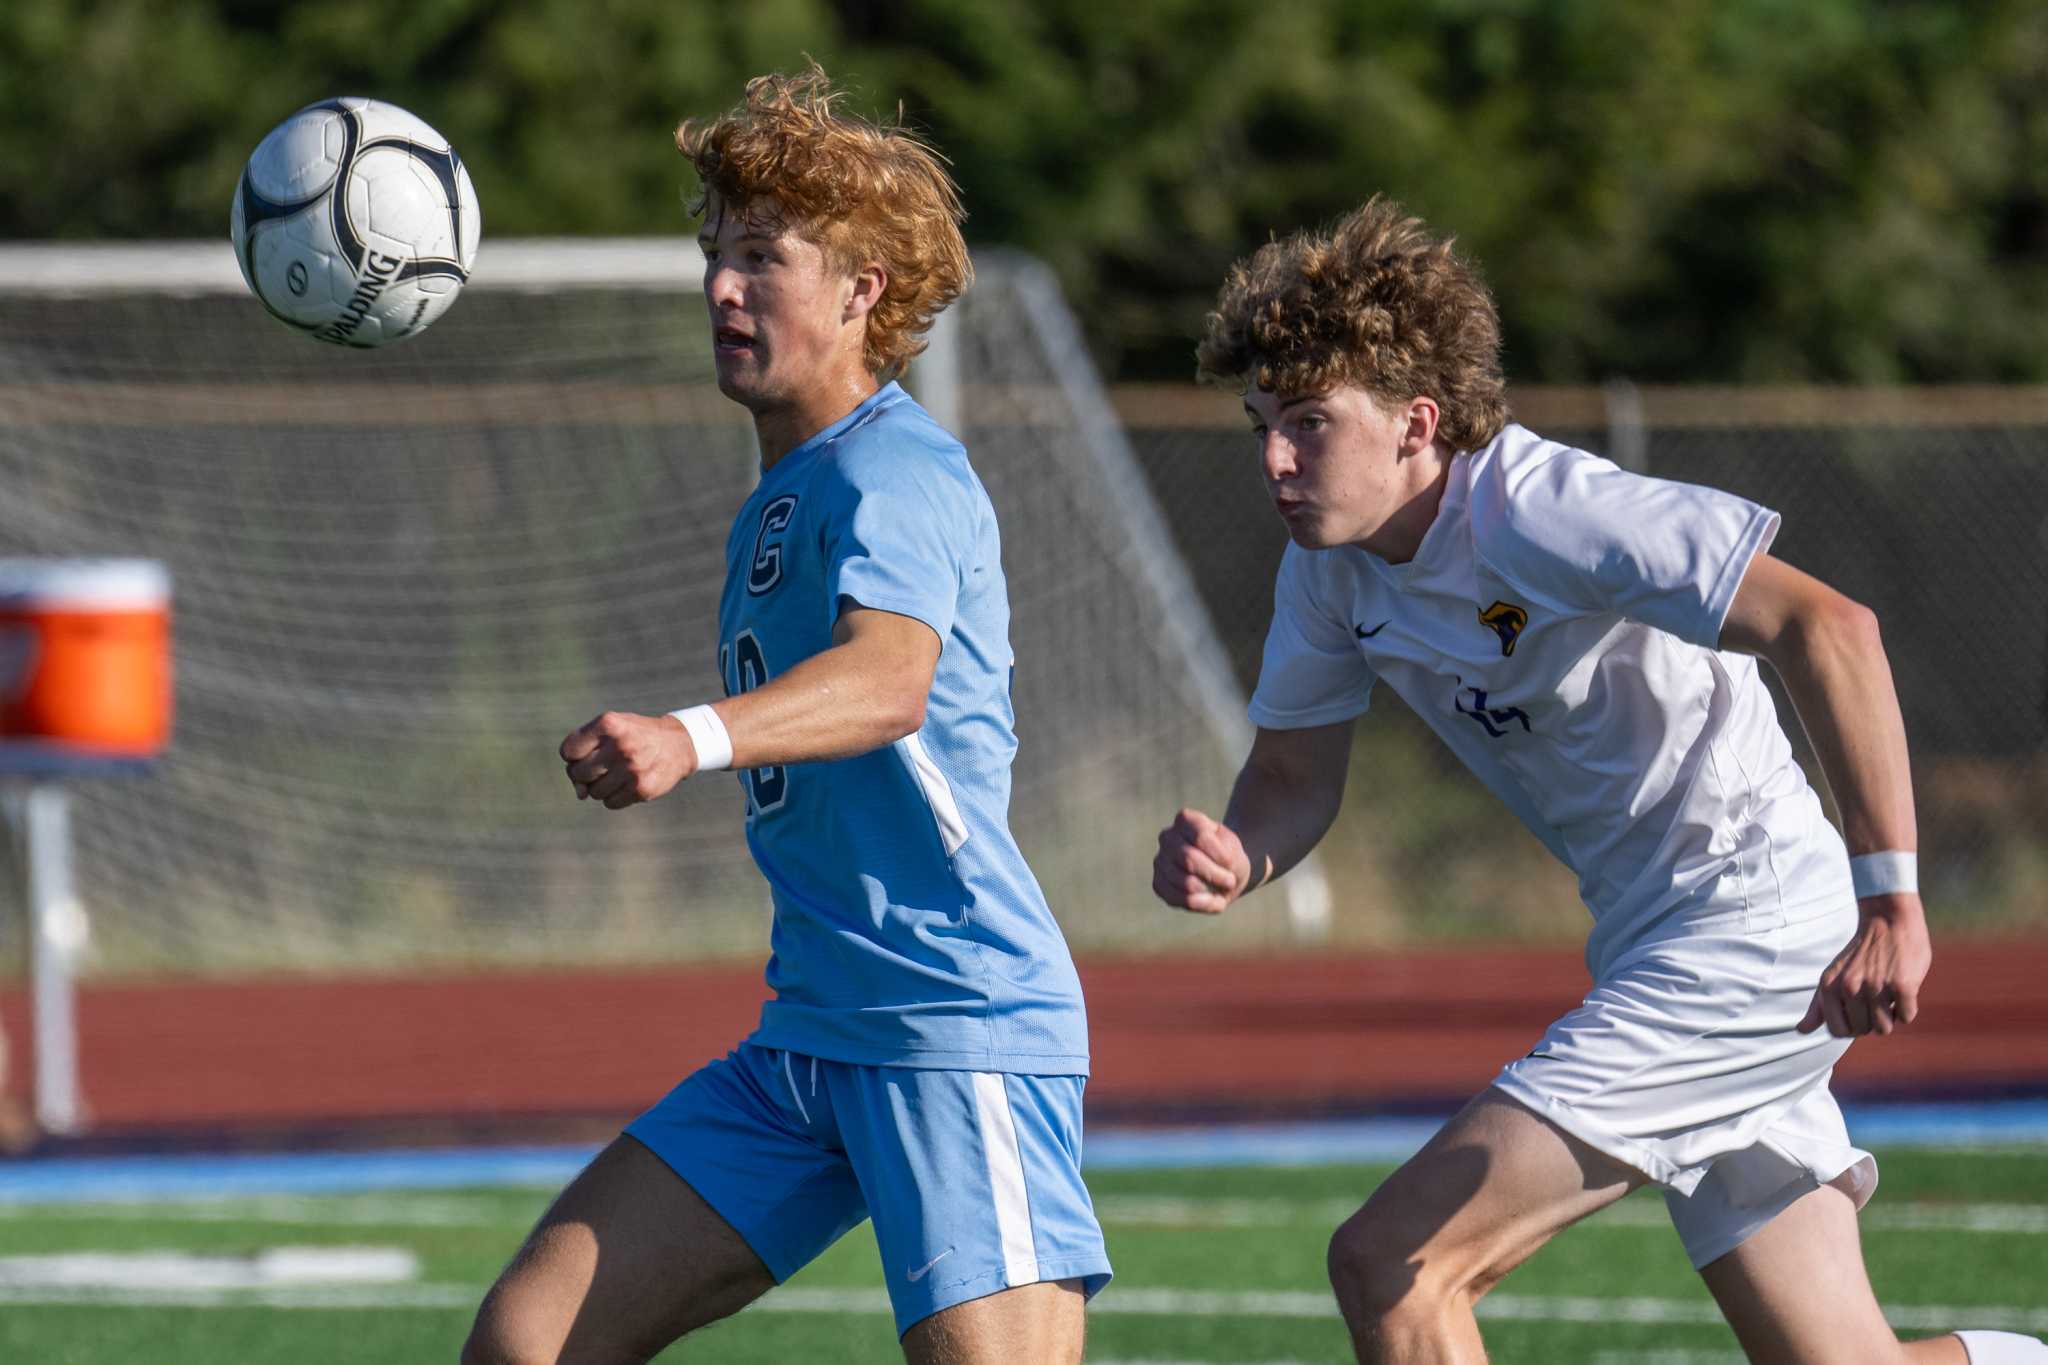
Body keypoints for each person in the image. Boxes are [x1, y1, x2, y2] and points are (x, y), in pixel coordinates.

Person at [1151, 196, 2045, 1365]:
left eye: (1309, 424)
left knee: (1394, 1266)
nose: (1272, 457)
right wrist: (1240, 850)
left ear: (1419, 422)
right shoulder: (1329, 572)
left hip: (1751, 932)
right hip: (1654, 936)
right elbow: (1288, 773)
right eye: (1260, 423)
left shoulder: (1542, 510)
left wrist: (1893, 904)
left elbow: (1830, 628)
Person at [464, 65, 1109, 1365]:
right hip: (813, 1036)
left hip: (951, 1025)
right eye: (716, 255)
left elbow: (890, 682)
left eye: (763, 259)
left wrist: (688, 735)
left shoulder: (895, 470)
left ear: (863, 291)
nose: (721, 287)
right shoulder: (782, 494)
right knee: (526, 1343)